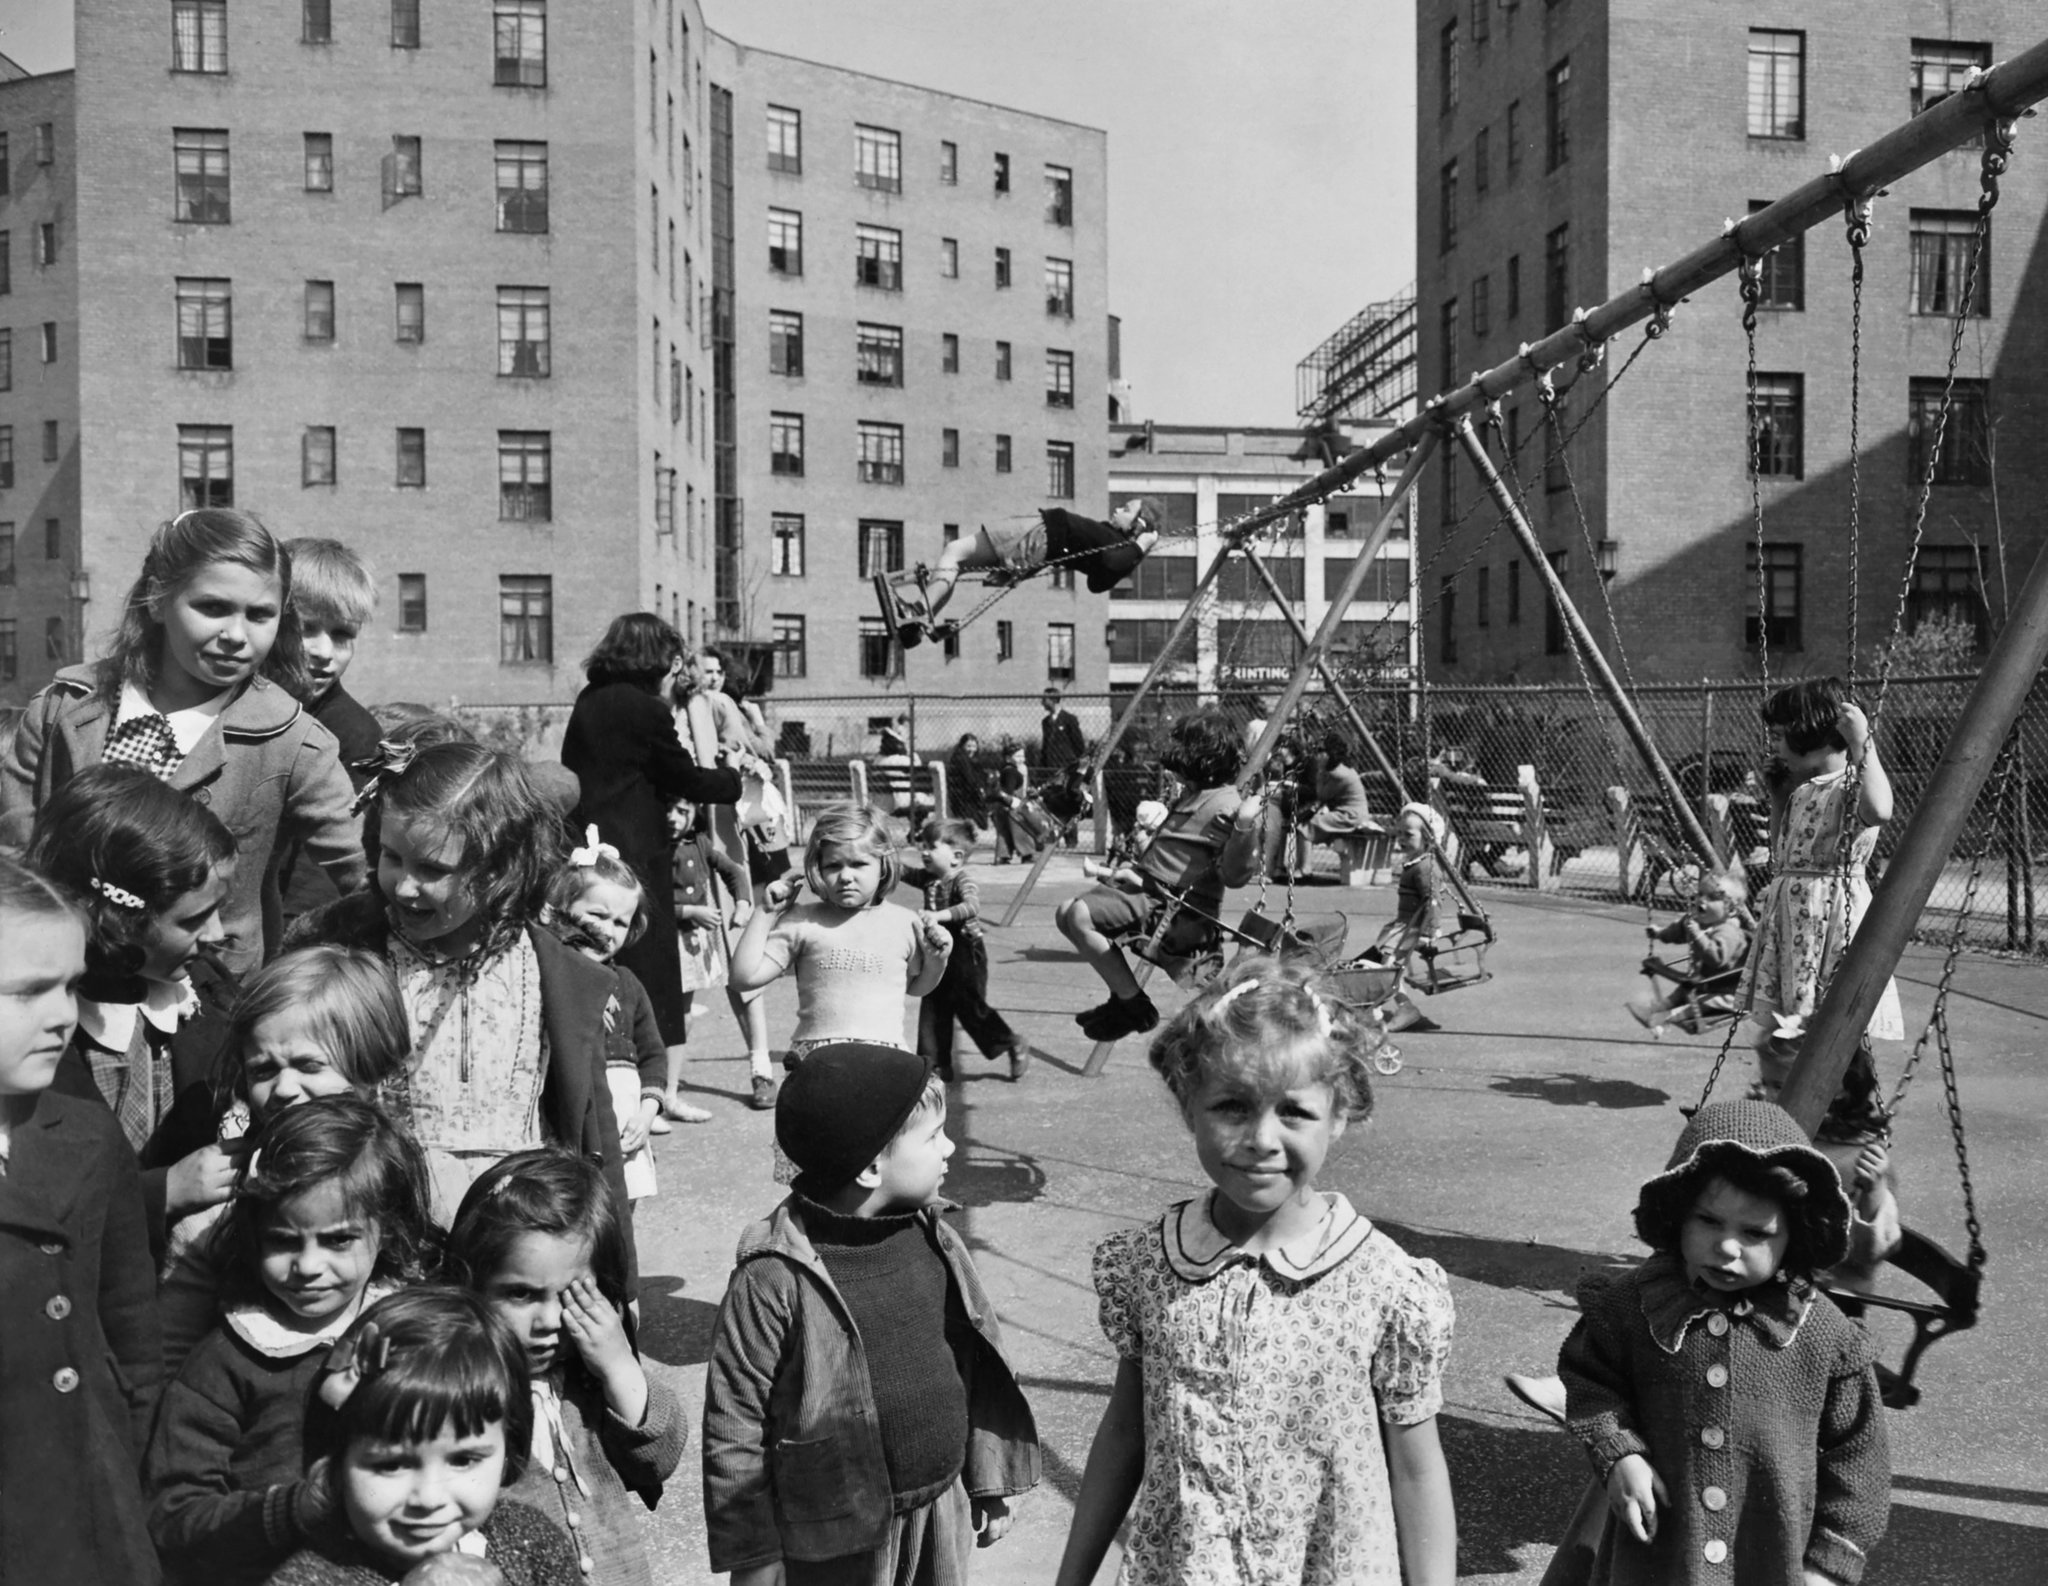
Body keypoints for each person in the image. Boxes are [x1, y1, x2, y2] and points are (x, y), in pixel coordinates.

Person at [1053, 958, 1457, 1586]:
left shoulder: (1387, 1285)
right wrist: (1072, 1576)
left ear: (1341, 1114)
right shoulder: (1147, 1266)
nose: (1262, 1138)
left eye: (1293, 1112)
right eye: (1233, 1107)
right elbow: (1126, 1430)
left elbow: (1416, 1469)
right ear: (1189, 1106)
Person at [286, 743, 637, 1272]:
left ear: (500, 866)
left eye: (432, 867)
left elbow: (593, 1132)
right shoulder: (342, 952)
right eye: (391, 856)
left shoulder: (558, 970)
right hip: (376, 1234)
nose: (404, 885)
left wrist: (617, 1277)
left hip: (516, 1245)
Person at [703, 1041, 1040, 1583]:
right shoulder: (772, 1277)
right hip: (836, 1540)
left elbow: (977, 1366)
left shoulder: (936, 1239)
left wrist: (990, 1474)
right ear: (870, 1168)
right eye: (933, 1136)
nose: (951, 1147)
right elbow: (734, 1424)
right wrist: (754, 1556)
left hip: (940, 1512)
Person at [0, 508, 365, 975]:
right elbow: (17, 853)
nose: (235, 635)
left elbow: (365, 872)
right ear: (157, 600)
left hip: (205, 1002)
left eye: (259, 615)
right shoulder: (63, 707)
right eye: (212, 607)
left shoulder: (293, 740)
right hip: (68, 979)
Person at [1545, 1099, 1889, 1586]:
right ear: (1678, 1215)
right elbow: (1590, 1382)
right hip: (1655, 1561)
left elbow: (1859, 1456)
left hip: (1769, 1562)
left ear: (1794, 1234)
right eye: (1708, 1221)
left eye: (1755, 1232)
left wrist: (1828, 1566)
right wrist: (1619, 1454)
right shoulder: (1631, 1307)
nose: (1727, 1247)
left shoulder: (1822, 1334)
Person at [145, 1094, 441, 1586]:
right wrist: (291, 1509)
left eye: (338, 1240)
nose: (307, 1267)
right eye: (283, 1240)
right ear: (254, 1236)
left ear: (385, 1231)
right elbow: (172, 1514)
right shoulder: (225, 1364)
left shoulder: (422, 1335)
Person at [0, 853, 164, 1586]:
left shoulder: (85, 1135)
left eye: (70, 986)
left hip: (83, 1502)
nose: (64, 1015)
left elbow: (130, 1322)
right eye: (31, 991)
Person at [157, 946, 417, 1372]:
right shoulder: (213, 1221)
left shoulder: (410, 1186)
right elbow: (170, 1357)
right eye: (263, 1070)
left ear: (372, 1069)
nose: (283, 1089)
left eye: (309, 1066)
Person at [447, 1150, 688, 1586]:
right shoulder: (455, 1392)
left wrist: (618, 1367)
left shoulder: (587, 1379)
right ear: (470, 1284)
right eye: (520, 1294)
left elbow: (658, 1458)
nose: (549, 1322)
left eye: (573, 1295)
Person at [27, 764, 240, 1254]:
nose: (216, 934)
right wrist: (160, 1193)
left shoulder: (204, 995)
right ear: (118, 919)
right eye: (194, 919)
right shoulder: (35, 1028)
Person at [266, 1286, 582, 1583]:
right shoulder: (309, 1579)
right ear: (335, 1463)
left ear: (508, 1448)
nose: (429, 1498)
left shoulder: (533, 1545)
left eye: (462, 1460)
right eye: (391, 1465)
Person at [562, 615, 745, 1127]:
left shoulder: (589, 701)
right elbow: (682, 775)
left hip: (591, 848)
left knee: (595, 959)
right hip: (640, 853)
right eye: (671, 657)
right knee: (651, 973)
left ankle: (612, 1088)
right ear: (653, 657)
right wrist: (732, 778)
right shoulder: (646, 709)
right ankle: (654, 1093)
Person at [1055, 708, 1270, 1042]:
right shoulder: (1195, 794)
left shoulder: (1227, 806)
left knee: (1080, 914)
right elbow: (1178, 856)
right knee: (1065, 911)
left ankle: (1133, 1005)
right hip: (1153, 892)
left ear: (1200, 759)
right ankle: (1122, 998)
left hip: (1177, 912)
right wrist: (1140, 876)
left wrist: (1244, 825)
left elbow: (1235, 875)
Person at [1742, 680, 1902, 1099]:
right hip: (1793, 915)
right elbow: (1782, 856)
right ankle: (1790, 1092)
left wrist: (1862, 740)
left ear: (1811, 730)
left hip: (1828, 915)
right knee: (1791, 1022)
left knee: (1830, 1022)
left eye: (1779, 734)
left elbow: (1880, 809)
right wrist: (1778, 797)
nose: (1773, 744)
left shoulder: (1852, 783)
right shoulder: (1802, 790)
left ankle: (1840, 1101)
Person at [729, 803, 952, 1066]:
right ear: (818, 868)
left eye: (859, 864)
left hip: (885, 1060)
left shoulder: (905, 923)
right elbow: (743, 978)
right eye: (834, 865)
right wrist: (765, 913)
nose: (846, 876)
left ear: (883, 865)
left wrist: (938, 960)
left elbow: (916, 988)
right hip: (817, 1059)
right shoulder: (802, 921)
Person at [543, 834, 668, 1207]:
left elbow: (653, 1056)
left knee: (618, 1218)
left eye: (621, 922)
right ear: (559, 908)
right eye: (596, 915)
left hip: (623, 1132)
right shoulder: (546, 978)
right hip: (567, 1130)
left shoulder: (627, 986)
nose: (608, 931)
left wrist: (647, 1114)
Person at [883, 498, 1163, 646]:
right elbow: (1099, 582)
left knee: (954, 551)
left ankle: (915, 612)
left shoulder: (1118, 547)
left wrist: (1139, 547)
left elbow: (1104, 576)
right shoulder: (1112, 544)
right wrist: (1136, 548)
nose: (1117, 509)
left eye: (1126, 509)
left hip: (1037, 534)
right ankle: (917, 626)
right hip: (1039, 542)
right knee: (958, 563)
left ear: (1137, 525)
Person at [278, 539, 384, 920]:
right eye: (307, 628)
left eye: (342, 635)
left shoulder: (353, 734)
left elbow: (320, 885)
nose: (325, 652)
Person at [902, 817, 1028, 1083]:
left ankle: (1010, 1042)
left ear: (956, 857)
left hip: (966, 953)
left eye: (931, 847)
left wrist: (939, 916)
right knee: (933, 1004)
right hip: (938, 951)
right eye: (922, 846)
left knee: (969, 1006)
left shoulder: (962, 880)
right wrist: (880, 857)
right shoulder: (929, 878)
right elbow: (903, 872)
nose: (924, 852)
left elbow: (972, 906)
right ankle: (935, 1065)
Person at [668, 797, 768, 1110]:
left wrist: (741, 902)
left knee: (689, 1007)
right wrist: (688, 911)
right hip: (675, 932)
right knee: (674, 1008)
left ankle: (760, 1066)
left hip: (695, 938)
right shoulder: (661, 847)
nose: (673, 818)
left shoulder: (700, 843)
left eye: (681, 811)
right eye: (668, 811)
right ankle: (663, 1086)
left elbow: (733, 871)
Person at [1626, 873, 1752, 1034]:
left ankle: (1662, 1019)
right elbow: (1678, 931)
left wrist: (1698, 935)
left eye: (1712, 897)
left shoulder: (1729, 932)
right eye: (1700, 894)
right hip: (1704, 983)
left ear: (1732, 909)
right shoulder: (1699, 921)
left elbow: (1716, 958)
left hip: (1728, 992)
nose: (1701, 900)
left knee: (1699, 1002)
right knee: (1680, 994)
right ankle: (1656, 1009)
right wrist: (1659, 933)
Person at [1308, 733, 1383, 843]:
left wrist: (1319, 776)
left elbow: (1322, 795)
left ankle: (1303, 860)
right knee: (1305, 824)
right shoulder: (1328, 772)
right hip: (1342, 814)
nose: (1316, 755)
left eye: (1320, 751)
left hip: (1351, 817)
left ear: (1331, 753)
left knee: (1309, 825)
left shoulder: (1340, 774)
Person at [990, 741, 1041, 864]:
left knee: (1004, 832)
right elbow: (1009, 790)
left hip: (1001, 806)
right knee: (1021, 829)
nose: (1021, 759)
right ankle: (1027, 854)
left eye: (1022, 756)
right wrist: (1012, 801)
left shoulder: (1008, 769)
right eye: (1017, 756)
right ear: (1008, 758)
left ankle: (1002, 856)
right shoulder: (1011, 772)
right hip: (1011, 805)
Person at [945, 732, 994, 835]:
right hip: (962, 798)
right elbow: (970, 780)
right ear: (962, 746)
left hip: (964, 796)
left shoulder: (969, 760)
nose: (971, 749)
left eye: (974, 746)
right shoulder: (962, 760)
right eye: (968, 746)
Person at [1037, 686, 1088, 776]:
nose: (1042, 703)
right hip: (1051, 766)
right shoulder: (1045, 722)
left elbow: (1078, 743)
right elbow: (1045, 744)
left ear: (1053, 700)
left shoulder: (1069, 719)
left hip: (1066, 765)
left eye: (1044, 700)